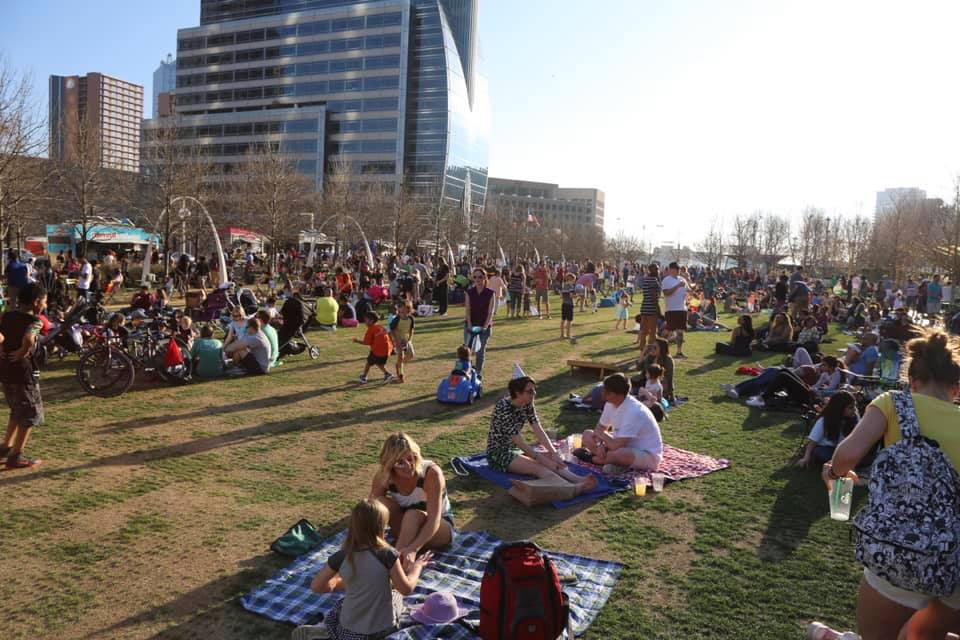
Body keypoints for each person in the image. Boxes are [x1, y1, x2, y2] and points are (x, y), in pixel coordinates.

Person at [822, 330, 960, 640]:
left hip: (900, 552)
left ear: (912, 381)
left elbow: (847, 456)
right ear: (956, 387)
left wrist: (834, 473)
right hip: (954, 563)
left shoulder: (893, 404)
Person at [297, 499, 432, 640]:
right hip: (383, 630)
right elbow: (406, 589)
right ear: (381, 527)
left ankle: (324, 631)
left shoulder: (342, 556)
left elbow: (317, 587)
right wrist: (416, 568)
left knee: (342, 605)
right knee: (396, 595)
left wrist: (340, 583)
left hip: (348, 632)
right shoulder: (388, 554)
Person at [486, 376, 598, 494]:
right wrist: (541, 459)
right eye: (530, 391)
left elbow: (537, 429)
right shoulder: (503, 408)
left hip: (515, 449)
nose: (534, 393)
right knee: (538, 467)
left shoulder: (527, 403)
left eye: (534, 390)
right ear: (517, 392)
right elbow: (518, 440)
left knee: (550, 457)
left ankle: (576, 479)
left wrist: (553, 453)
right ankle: (572, 489)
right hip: (498, 453)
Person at [370, 433, 453, 570]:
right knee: (378, 504)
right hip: (406, 527)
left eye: (410, 458)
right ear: (390, 465)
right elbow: (369, 512)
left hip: (438, 528)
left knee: (412, 515)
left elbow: (434, 520)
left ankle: (394, 565)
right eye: (400, 462)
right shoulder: (384, 476)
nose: (408, 465)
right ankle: (381, 554)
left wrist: (413, 549)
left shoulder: (431, 473)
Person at [0, 283, 47, 469]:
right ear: (36, 302)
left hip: (5, 371)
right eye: (44, 301)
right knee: (29, 414)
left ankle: (5, 447)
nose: (44, 305)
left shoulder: (7, 316)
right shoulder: (35, 321)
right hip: (23, 373)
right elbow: (29, 338)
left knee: (16, 410)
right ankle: (16, 456)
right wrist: (23, 351)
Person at [582, 373, 663, 473]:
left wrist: (602, 435)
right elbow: (600, 427)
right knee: (587, 434)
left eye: (607, 392)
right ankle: (606, 460)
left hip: (646, 454)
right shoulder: (610, 404)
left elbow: (616, 445)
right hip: (620, 444)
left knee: (620, 454)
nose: (603, 393)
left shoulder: (634, 411)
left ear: (618, 394)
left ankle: (591, 459)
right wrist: (599, 444)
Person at [794, 391, 858, 468]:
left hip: (842, 448)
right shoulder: (824, 421)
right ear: (840, 408)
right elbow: (812, 442)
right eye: (850, 407)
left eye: (855, 406)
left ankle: (842, 461)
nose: (854, 409)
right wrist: (806, 457)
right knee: (824, 454)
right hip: (826, 448)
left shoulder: (853, 418)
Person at [463, 269, 495, 377]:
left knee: (480, 352)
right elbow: (468, 310)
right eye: (475, 277)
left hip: (484, 326)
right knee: (467, 350)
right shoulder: (469, 292)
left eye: (480, 277)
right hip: (470, 325)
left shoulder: (490, 293)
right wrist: (470, 325)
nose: (477, 279)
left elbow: (490, 312)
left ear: (485, 278)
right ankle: (467, 371)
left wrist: (485, 327)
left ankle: (478, 373)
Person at [354, 311, 394, 384]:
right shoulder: (380, 326)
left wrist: (357, 341)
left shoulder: (371, 329)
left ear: (371, 320)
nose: (364, 321)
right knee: (378, 363)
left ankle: (364, 377)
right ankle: (387, 374)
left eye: (366, 320)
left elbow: (366, 342)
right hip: (387, 350)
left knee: (369, 362)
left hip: (378, 351)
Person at [661, 262, 688, 358]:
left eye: (679, 269)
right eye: (676, 269)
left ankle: (679, 352)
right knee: (668, 330)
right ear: (671, 269)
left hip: (682, 309)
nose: (678, 271)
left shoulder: (683, 279)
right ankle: (658, 346)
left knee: (680, 332)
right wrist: (677, 286)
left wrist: (691, 292)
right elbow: (666, 293)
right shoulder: (666, 280)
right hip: (671, 310)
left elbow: (687, 291)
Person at [636, 263, 661, 351]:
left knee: (644, 331)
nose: (658, 271)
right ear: (652, 270)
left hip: (644, 308)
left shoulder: (646, 280)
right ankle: (650, 350)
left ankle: (642, 348)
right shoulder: (654, 280)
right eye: (657, 269)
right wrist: (658, 309)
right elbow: (654, 296)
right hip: (651, 309)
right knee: (653, 332)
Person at [388, 302, 415, 383]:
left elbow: (411, 330)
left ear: (408, 310)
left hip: (406, 339)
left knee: (411, 355)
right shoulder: (396, 319)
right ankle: (400, 375)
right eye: (399, 312)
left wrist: (409, 340)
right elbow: (391, 331)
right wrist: (396, 341)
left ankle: (399, 364)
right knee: (400, 355)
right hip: (397, 340)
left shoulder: (411, 319)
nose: (401, 313)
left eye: (403, 312)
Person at [560, 273, 575, 340]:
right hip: (569, 305)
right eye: (574, 280)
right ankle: (568, 335)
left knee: (563, 320)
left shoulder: (564, 286)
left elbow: (561, 296)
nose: (574, 282)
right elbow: (571, 296)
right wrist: (577, 295)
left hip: (564, 304)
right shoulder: (571, 287)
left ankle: (562, 334)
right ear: (571, 279)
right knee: (569, 320)